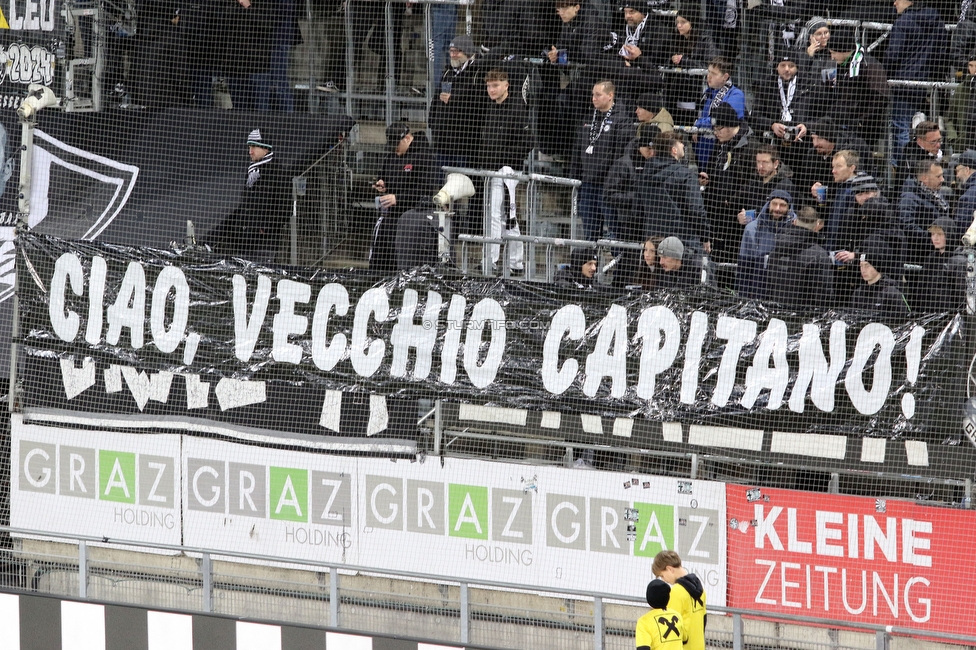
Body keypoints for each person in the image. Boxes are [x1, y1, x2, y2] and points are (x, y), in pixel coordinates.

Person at [211, 128, 288, 262]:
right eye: (249, 147)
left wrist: (265, 228)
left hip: (265, 243)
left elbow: (284, 205)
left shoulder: (277, 171)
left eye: (253, 147)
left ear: (265, 148)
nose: (250, 151)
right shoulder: (252, 170)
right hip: (245, 239)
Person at [572, 80, 635, 241]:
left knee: (614, 230)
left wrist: (612, 181)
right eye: (593, 94)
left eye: (598, 95)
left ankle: (620, 264)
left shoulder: (622, 121)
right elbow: (578, 150)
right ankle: (591, 264)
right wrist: (576, 177)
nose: (594, 98)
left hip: (609, 187)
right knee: (589, 233)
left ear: (610, 95)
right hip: (587, 185)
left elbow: (621, 155)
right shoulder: (587, 119)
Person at [371, 124, 439, 275]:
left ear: (407, 138)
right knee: (383, 257)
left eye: (397, 145)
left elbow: (426, 189)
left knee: (405, 258)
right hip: (391, 216)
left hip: (413, 218)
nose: (395, 149)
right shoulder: (391, 156)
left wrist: (399, 198)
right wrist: (382, 183)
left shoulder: (424, 156)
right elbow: (384, 174)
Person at [481, 68, 530, 273]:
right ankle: (515, 262)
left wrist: (506, 162)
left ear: (506, 85)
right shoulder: (490, 108)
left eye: (495, 85)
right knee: (506, 216)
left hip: (509, 170)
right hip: (493, 170)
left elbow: (528, 141)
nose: (491, 90)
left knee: (496, 214)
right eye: (489, 86)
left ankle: (491, 260)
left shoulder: (519, 108)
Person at [886, 0, 949, 156]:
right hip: (931, 85)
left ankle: (903, 168)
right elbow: (943, 53)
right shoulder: (936, 20)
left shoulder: (903, 22)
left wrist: (887, 75)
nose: (894, 3)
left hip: (903, 84)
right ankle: (927, 165)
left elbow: (893, 55)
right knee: (930, 129)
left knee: (901, 127)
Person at [700, 103, 753, 277]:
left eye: (719, 128)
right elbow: (714, 169)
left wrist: (731, 200)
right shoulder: (720, 144)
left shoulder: (749, 147)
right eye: (714, 128)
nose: (716, 132)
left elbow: (753, 182)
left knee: (732, 265)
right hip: (717, 215)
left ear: (731, 125)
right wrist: (707, 178)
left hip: (736, 218)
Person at [814, 27, 889, 146]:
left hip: (863, 130)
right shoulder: (840, 66)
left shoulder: (869, 65)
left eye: (833, 53)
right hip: (841, 126)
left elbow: (880, 98)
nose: (832, 57)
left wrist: (860, 122)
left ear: (843, 50)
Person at [640, 131, 711, 252]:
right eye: (680, 143)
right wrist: (705, 236)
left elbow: (638, 207)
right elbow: (696, 210)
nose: (683, 145)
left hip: (653, 238)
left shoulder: (645, 173)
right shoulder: (685, 175)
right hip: (682, 241)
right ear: (674, 150)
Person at [429, 35, 487, 169]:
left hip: (464, 141)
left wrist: (454, 99)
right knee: (444, 181)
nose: (453, 55)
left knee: (463, 179)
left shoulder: (477, 73)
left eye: (457, 51)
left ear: (467, 52)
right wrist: (433, 124)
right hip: (442, 139)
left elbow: (479, 101)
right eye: (451, 51)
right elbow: (436, 100)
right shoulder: (447, 72)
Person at [750, 49, 813, 170]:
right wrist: (771, 125)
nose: (787, 69)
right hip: (774, 142)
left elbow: (820, 114)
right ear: (776, 67)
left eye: (791, 65)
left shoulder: (809, 85)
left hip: (803, 144)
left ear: (797, 67)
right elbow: (754, 115)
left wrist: (807, 126)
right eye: (783, 65)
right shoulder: (766, 85)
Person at [766, 206, 834, 311]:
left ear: (794, 222)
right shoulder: (819, 255)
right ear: (817, 226)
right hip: (805, 320)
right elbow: (823, 295)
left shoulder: (776, 249)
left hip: (776, 316)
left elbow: (767, 286)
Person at [604, 0, 672, 103]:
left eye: (632, 12)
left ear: (643, 13)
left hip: (648, 82)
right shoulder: (624, 29)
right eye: (625, 12)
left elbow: (657, 58)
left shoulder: (659, 29)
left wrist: (638, 57)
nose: (627, 16)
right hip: (627, 80)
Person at [737, 189, 796, 300]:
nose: (777, 209)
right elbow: (744, 267)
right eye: (774, 204)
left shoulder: (796, 228)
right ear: (769, 204)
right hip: (758, 291)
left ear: (789, 207)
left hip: (785, 291)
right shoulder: (752, 228)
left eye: (782, 205)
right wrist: (743, 297)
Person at [664, 9, 718, 126]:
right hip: (676, 91)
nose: (679, 25)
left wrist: (684, 61)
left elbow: (709, 65)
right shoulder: (675, 39)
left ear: (692, 23)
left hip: (696, 91)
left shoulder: (704, 39)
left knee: (692, 125)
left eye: (683, 22)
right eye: (677, 22)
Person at [693, 57, 747, 167]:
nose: (709, 76)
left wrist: (698, 124)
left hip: (722, 150)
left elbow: (721, 117)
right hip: (702, 148)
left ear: (725, 77)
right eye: (709, 72)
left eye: (714, 73)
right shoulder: (707, 94)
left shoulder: (736, 94)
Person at [651, 551, 706, 650]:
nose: (663, 580)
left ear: (669, 569)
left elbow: (670, 630)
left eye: (662, 575)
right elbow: (704, 620)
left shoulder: (676, 592)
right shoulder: (701, 589)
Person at [899, 160, 950, 264]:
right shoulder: (909, 198)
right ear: (924, 178)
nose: (942, 179)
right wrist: (933, 238)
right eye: (938, 176)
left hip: (935, 256)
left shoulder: (937, 196)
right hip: (918, 259)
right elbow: (907, 226)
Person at [850, 236, 912, 321]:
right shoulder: (858, 293)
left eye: (867, 266)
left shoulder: (892, 293)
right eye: (861, 266)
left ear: (877, 266)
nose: (863, 270)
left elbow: (906, 319)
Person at [914, 217, 967, 312]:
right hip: (927, 317)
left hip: (949, 319)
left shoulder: (960, 262)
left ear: (949, 234)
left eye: (940, 234)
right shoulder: (930, 259)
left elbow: (961, 299)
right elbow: (920, 292)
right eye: (933, 234)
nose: (935, 238)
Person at [738, 145, 794, 217]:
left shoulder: (785, 185)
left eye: (765, 162)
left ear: (776, 164)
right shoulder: (752, 183)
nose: (761, 166)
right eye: (758, 162)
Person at [636, 578, 686, 650]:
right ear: (668, 597)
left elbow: (643, 648)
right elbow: (685, 639)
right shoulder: (677, 616)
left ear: (648, 598)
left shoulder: (644, 622)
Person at [895, 121, 943, 192]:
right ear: (920, 141)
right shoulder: (912, 162)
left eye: (939, 140)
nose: (938, 145)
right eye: (933, 142)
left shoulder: (930, 153)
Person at [795, 16, 831, 82]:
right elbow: (800, 78)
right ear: (811, 37)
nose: (824, 36)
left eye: (826, 32)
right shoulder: (801, 53)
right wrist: (808, 56)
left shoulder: (829, 52)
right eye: (819, 34)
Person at [953, 149, 976, 238]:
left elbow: (961, 228)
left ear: (967, 170)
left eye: (958, 170)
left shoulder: (968, 196)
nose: (957, 175)